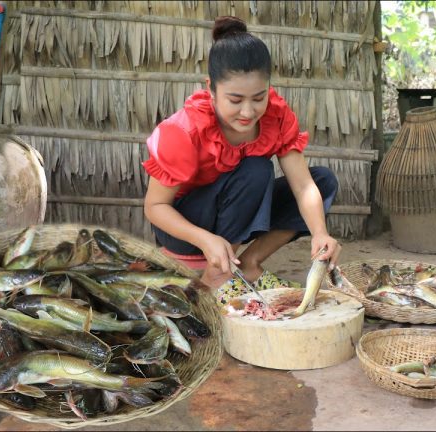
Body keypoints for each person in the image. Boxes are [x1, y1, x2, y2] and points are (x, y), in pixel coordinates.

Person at [142, 16, 341, 304]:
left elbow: (303, 186)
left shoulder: (277, 116)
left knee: (323, 182)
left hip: (234, 216)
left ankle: (247, 266)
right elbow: (155, 207)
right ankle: (216, 276)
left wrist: (320, 234)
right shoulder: (184, 130)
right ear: (211, 89)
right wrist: (204, 239)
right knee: (256, 169)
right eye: (235, 100)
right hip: (185, 227)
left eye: (259, 98)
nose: (248, 111)